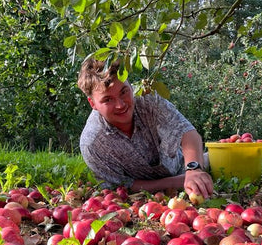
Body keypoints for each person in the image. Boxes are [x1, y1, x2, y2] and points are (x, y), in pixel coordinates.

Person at [77, 57, 214, 200]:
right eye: (107, 99)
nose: (120, 105)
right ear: (92, 103)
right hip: (153, 192)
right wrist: (177, 181)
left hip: (184, 164)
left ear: (130, 84)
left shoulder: (148, 98)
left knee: (222, 159)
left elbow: (187, 132)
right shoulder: (92, 143)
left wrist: (194, 170)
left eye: (124, 92)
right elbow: (123, 185)